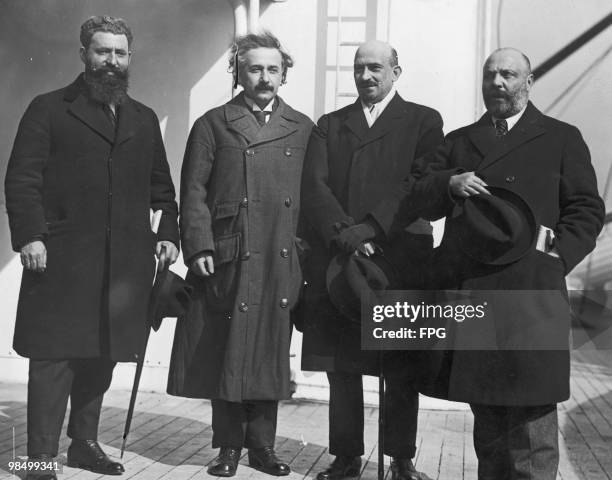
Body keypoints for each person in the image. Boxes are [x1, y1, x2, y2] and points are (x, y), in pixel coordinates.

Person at [4, 15, 179, 480]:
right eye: (103, 51)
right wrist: (30, 236)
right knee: (54, 358)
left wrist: (168, 235)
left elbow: (162, 190)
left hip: (123, 265)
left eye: (120, 53)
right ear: (83, 54)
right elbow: (22, 178)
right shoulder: (48, 108)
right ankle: (38, 459)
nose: (112, 61)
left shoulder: (142, 118)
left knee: (101, 355)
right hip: (61, 260)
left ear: (129, 59)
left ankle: (83, 446)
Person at [418, 48, 605, 480]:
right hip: (476, 288)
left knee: (532, 416)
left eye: (507, 74)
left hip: (532, 291)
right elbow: (420, 199)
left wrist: (557, 258)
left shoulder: (560, 137)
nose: (497, 83)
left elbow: (586, 209)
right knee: (487, 419)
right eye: (490, 75)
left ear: (528, 81)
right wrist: (449, 183)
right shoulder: (460, 141)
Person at [167, 32, 313, 477]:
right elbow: (192, 191)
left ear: (284, 72)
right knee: (226, 349)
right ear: (239, 72)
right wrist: (199, 247)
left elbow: (315, 197)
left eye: (272, 69)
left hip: (280, 255)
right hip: (230, 254)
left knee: (270, 347)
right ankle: (228, 446)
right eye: (254, 68)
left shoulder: (304, 128)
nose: (264, 78)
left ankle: (262, 448)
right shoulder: (214, 124)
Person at [299, 40, 444, 480]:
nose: (367, 76)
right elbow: (315, 188)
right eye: (360, 68)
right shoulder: (330, 124)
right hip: (341, 261)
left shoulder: (423, 121)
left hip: (399, 256)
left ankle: (401, 458)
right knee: (341, 365)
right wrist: (347, 235)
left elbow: (420, 184)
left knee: (400, 363)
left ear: (396, 72)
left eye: (377, 68)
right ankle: (345, 456)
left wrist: (371, 229)